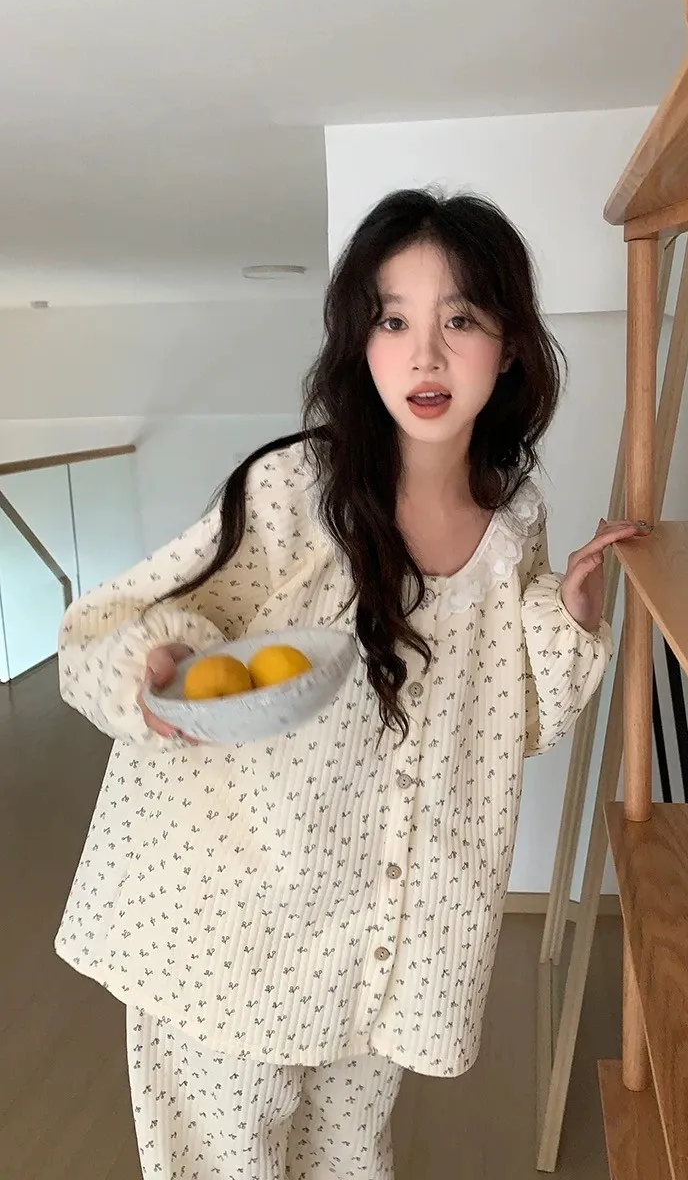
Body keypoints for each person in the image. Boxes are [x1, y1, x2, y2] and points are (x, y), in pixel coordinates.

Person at [55, 188, 648, 1180]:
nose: (426, 356)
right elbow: (116, 628)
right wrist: (159, 670)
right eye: (393, 321)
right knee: (227, 1162)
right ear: (358, 344)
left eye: (461, 319)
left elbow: (509, 720)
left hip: (385, 942)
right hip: (229, 929)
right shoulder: (294, 490)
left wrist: (570, 617)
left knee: (350, 1155)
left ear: (509, 346)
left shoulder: (516, 521)